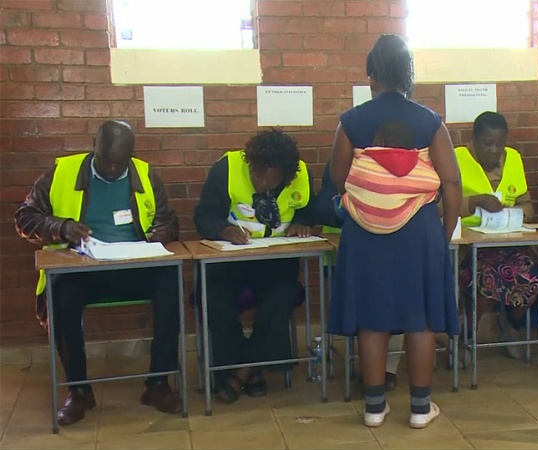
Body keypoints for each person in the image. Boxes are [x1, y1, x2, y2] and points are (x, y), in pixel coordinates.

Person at [326, 34, 461, 429]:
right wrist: (444, 232)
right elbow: (451, 183)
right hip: (419, 230)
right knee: (420, 320)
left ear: (370, 74)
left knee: (372, 318)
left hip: (365, 232)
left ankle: (373, 407)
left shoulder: (352, 121)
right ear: (410, 74)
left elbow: (338, 177)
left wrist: (370, 200)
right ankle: (420, 409)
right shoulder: (430, 120)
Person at [14, 120, 182, 426]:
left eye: (121, 162)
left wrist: (164, 231)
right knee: (61, 296)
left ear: (131, 155)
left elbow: (170, 221)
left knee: (171, 282)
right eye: (106, 160)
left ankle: (157, 383)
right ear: (94, 145)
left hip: (132, 265)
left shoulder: (145, 175)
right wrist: (61, 227)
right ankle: (78, 390)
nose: (113, 169)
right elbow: (24, 217)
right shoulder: (62, 172)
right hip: (83, 267)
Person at [193, 129, 315, 404]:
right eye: (257, 176)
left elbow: (309, 208)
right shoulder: (228, 168)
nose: (261, 185)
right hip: (229, 261)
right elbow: (203, 215)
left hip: (275, 262)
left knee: (282, 295)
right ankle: (247, 369)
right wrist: (223, 229)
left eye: (269, 181)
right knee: (214, 296)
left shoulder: (300, 174)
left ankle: (240, 372)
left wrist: (301, 222)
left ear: (285, 176)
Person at [313, 124, 415, 391]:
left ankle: (387, 369)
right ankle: (371, 369)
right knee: (372, 296)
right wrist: (345, 206)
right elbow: (323, 204)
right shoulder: (343, 163)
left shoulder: (407, 165)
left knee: (399, 292)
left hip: (394, 251)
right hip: (350, 251)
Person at [453, 111, 538, 360]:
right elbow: (441, 202)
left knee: (533, 274)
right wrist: (473, 202)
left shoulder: (514, 159)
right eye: (487, 143)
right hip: (468, 246)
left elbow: (528, 204)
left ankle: (511, 325)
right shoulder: (456, 158)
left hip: (508, 242)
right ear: (473, 140)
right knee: (487, 278)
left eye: (500, 144)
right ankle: (469, 334)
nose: (494, 150)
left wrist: (518, 213)